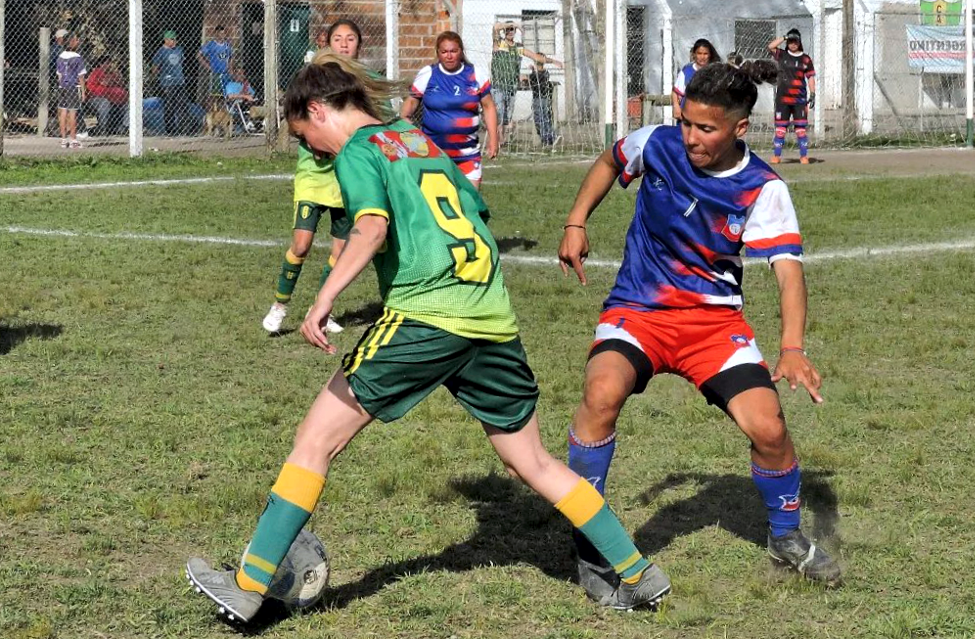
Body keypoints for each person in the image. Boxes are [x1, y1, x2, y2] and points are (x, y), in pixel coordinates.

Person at [186, 55, 671, 623]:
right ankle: (640, 573)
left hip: (426, 315)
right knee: (532, 461)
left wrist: (324, 298)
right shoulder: (415, 139)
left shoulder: (361, 151)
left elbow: (371, 226)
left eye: (306, 136)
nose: (312, 150)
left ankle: (248, 585)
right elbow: (473, 213)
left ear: (318, 110)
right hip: (491, 317)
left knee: (315, 440)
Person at [556, 61, 841, 603]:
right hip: (638, 309)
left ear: (739, 129)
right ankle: (591, 540)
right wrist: (577, 220)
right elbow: (611, 159)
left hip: (713, 324)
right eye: (686, 122)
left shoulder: (762, 187)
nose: (690, 137)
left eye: (705, 129)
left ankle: (785, 536)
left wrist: (792, 347)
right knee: (600, 393)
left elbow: (788, 271)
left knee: (770, 428)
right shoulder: (658, 144)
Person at [262, 23, 367, 335]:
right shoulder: (310, 81)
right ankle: (280, 306)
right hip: (312, 177)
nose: (344, 44)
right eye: (338, 39)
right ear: (327, 44)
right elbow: (297, 119)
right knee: (302, 243)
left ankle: (322, 309)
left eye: (350, 39)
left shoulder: (361, 86)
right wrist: (315, 145)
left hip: (343, 178)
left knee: (340, 251)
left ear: (359, 45)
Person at [401, 31, 498, 190]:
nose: (449, 56)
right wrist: (404, 118)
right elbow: (412, 100)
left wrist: (494, 139)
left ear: (461, 51)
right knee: (437, 207)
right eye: (444, 52)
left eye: (453, 51)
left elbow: (489, 106)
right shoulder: (428, 74)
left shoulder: (475, 74)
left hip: (467, 155)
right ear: (438, 53)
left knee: (470, 205)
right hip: (433, 155)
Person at [490, 22, 562, 149]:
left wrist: (554, 61)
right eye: (507, 29)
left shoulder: (519, 47)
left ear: (515, 32)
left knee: (507, 118)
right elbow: (495, 27)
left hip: (511, 87)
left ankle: (504, 142)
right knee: (499, 115)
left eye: (512, 30)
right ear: (504, 32)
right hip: (498, 86)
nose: (510, 31)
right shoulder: (499, 44)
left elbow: (536, 57)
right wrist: (514, 24)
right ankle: (498, 143)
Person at [767, 28, 816, 165]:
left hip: (799, 100)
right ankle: (777, 156)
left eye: (795, 41)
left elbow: (810, 77)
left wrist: (813, 94)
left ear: (800, 42)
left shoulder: (805, 59)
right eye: (791, 41)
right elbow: (770, 46)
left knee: (800, 130)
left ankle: (803, 156)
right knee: (781, 130)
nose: (793, 44)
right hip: (783, 100)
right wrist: (784, 37)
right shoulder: (781, 54)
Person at [672, 38, 721, 121]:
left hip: (708, 118)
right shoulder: (686, 71)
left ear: (710, 55)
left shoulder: (715, 72)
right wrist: (676, 107)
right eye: (699, 53)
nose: (702, 57)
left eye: (705, 54)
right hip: (687, 118)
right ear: (694, 54)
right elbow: (675, 92)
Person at [151, 30, 187, 136]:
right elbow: (155, 68)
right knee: (169, 106)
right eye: (172, 39)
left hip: (179, 81)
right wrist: (159, 76)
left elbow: (181, 63)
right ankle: (170, 130)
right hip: (167, 83)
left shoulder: (179, 50)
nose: (174, 42)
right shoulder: (161, 52)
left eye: (175, 39)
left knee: (182, 105)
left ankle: (183, 129)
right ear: (166, 40)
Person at [55, 33, 86, 149]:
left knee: (63, 112)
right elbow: (81, 76)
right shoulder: (77, 57)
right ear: (71, 42)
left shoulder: (60, 57)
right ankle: (73, 139)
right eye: (76, 40)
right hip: (74, 87)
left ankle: (64, 139)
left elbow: (59, 75)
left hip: (62, 87)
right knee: (73, 113)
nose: (78, 42)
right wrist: (83, 92)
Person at [86, 56, 128, 136]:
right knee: (104, 103)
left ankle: (124, 127)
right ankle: (102, 129)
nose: (109, 65)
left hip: (116, 99)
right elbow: (90, 87)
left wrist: (115, 80)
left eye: (110, 63)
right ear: (101, 64)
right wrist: (104, 86)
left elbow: (122, 85)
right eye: (107, 63)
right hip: (98, 98)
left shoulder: (114, 73)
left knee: (128, 105)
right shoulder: (96, 73)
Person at [527, 59, 561, 149]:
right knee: (546, 118)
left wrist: (532, 70)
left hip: (538, 99)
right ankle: (551, 137)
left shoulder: (533, 75)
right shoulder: (546, 73)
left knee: (540, 120)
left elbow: (533, 81)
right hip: (545, 99)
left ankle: (547, 139)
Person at [199, 25, 233, 106]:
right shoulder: (211, 44)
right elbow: (199, 56)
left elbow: (230, 58)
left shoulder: (227, 45)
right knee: (214, 96)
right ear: (216, 33)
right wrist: (209, 67)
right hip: (215, 74)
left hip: (226, 74)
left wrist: (230, 70)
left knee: (225, 95)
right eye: (220, 33)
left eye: (223, 33)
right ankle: (211, 113)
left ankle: (222, 114)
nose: (222, 35)